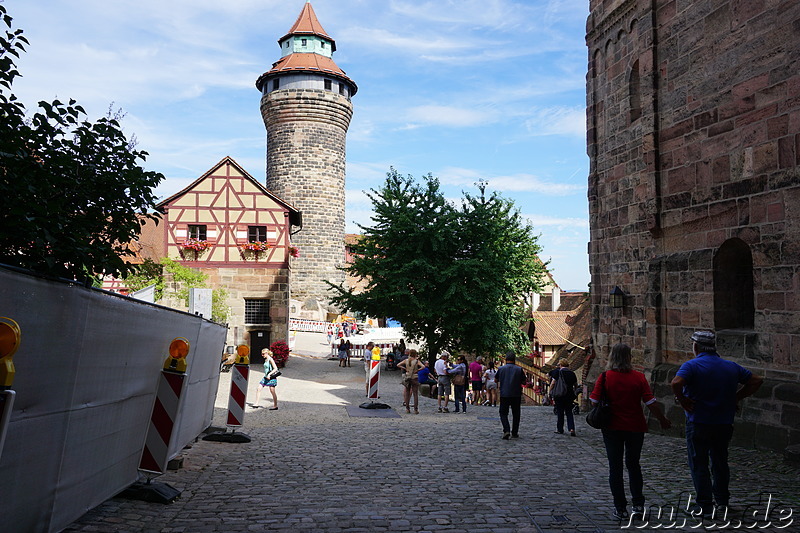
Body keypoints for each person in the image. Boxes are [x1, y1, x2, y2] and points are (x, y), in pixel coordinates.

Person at [670, 331, 763, 516]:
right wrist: (736, 397)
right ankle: (722, 501)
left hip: (699, 421)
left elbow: (676, 383)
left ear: (696, 347)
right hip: (723, 422)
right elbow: (757, 380)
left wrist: (683, 400)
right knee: (720, 462)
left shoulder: (692, 365)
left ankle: (704, 505)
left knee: (699, 463)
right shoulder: (730, 366)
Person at [591, 343, 670, 521]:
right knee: (634, 466)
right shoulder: (639, 377)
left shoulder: (605, 377)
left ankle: (620, 508)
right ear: (629, 358)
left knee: (615, 467)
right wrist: (662, 419)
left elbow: (594, 402)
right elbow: (651, 403)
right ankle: (638, 505)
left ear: (612, 357)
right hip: (635, 427)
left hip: (611, 427)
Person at [494, 351, 525, 439]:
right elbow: (524, 381)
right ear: (514, 359)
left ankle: (506, 430)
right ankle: (515, 432)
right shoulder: (519, 369)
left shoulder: (501, 369)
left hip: (505, 394)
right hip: (516, 394)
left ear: (506, 359)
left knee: (503, 413)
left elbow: (496, 380)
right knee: (516, 414)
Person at [549, 359, 579, 436]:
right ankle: (572, 428)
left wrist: (550, 391)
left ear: (560, 365)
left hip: (559, 395)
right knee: (569, 412)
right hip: (569, 395)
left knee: (560, 413)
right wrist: (574, 393)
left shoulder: (558, 372)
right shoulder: (572, 373)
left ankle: (560, 429)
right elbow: (575, 385)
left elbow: (553, 383)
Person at [398, 349, 424, 413]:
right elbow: (423, 366)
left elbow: (398, 365)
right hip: (414, 377)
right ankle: (415, 409)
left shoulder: (406, 360)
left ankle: (407, 408)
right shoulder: (416, 361)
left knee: (407, 392)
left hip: (407, 377)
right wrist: (417, 370)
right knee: (415, 394)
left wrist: (404, 368)